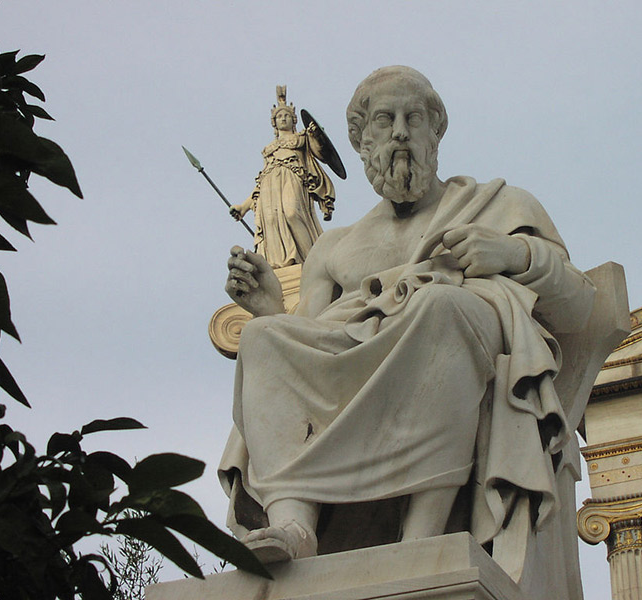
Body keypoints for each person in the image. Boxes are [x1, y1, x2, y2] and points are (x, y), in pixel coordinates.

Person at [219, 66, 596, 564]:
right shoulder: (335, 248)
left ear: (434, 132)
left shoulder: (495, 206)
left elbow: (581, 304)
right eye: (383, 120)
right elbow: (307, 337)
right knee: (264, 338)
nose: (399, 131)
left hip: (445, 339)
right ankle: (294, 523)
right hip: (354, 366)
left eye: (412, 117)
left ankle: (422, 538)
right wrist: (267, 308)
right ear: (360, 140)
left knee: (440, 306)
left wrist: (511, 255)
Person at [230, 86, 336, 269]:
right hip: (270, 183)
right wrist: (243, 207)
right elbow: (260, 184)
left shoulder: (301, 138)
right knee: (270, 220)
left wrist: (316, 136)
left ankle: (312, 263)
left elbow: (321, 154)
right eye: (279, 116)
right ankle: (278, 265)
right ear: (274, 122)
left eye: (286, 116)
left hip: (292, 176)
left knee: (292, 213)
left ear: (293, 120)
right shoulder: (269, 149)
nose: (283, 118)